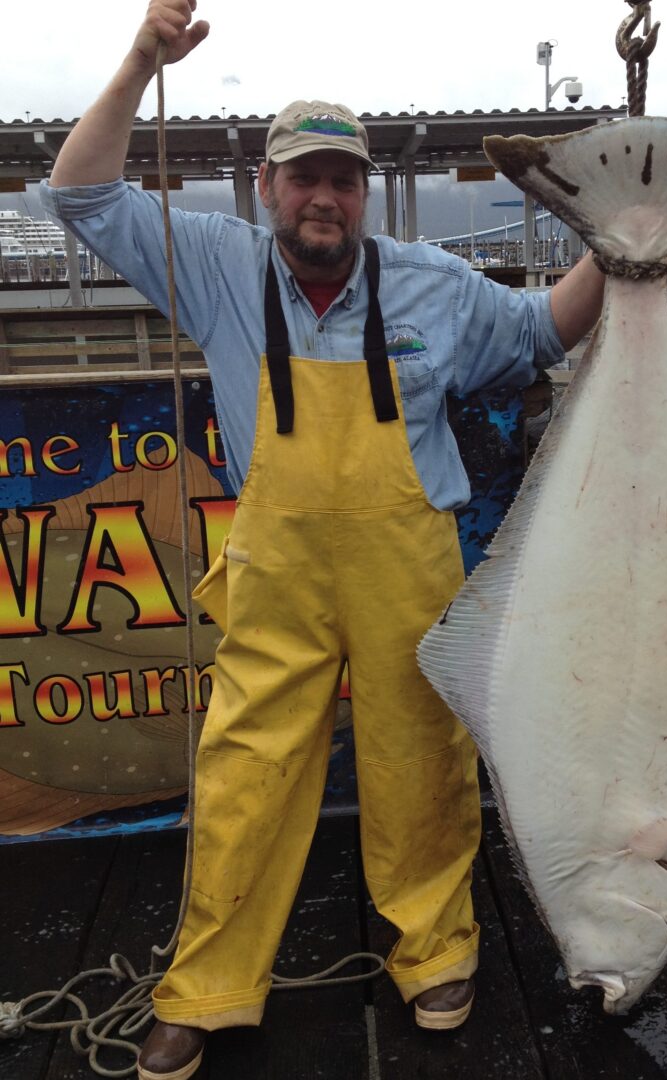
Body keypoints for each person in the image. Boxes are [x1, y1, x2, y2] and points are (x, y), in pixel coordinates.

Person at [42, 2, 605, 1077]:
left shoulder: (434, 284)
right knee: (245, 768)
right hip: (277, 573)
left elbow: (538, 330)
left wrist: (620, 255)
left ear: (359, 195)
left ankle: (434, 950)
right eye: (302, 177)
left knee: (420, 764)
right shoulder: (211, 264)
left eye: (341, 180)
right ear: (266, 188)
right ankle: (207, 984)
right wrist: (139, 60)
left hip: (410, 570)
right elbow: (80, 193)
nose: (323, 197)